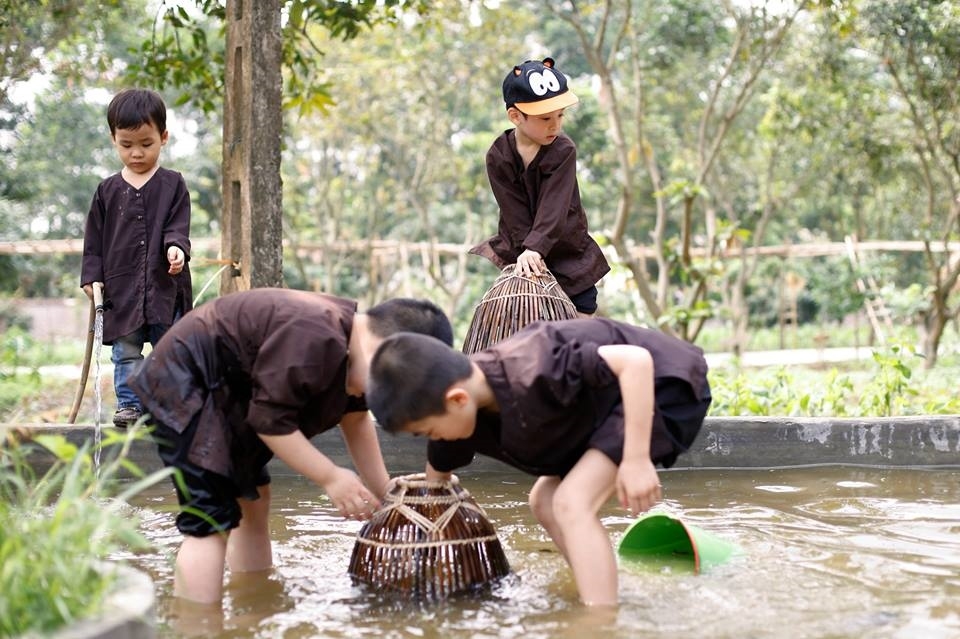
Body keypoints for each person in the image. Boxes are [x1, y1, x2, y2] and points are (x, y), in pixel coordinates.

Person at [127, 288, 453, 604]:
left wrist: (385, 491)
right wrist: (330, 476)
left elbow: (355, 420)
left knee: (254, 499)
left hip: (232, 398)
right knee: (210, 519)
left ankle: (253, 597)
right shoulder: (314, 336)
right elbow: (270, 423)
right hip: (186, 382)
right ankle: (198, 626)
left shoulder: (355, 356)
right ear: (385, 352)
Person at [366, 318, 711, 607]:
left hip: (660, 389)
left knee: (571, 502)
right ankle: (598, 588)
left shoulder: (535, 366)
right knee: (543, 501)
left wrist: (635, 459)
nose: (434, 438)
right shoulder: (467, 408)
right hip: (599, 412)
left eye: (429, 430)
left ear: (456, 399)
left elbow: (634, 361)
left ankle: (601, 622)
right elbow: (438, 473)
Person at [80, 88, 192, 428]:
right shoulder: (107, 191)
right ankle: (129, 405)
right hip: (122, 289)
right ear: (114, 139)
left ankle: (169, 405)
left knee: (168, 347)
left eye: (146, 143)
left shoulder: (173, 184)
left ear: (164, 137)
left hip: (163, 285)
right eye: (126, 145)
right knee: (125, 351)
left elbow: (178, 225)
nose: (137, 153)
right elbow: (94, 240)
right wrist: (91, 276)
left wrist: (177, 248)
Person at [470, 57, 609, 317]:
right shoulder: (498, 156)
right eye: (545, 118)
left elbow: (554, 207)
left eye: (560, 115)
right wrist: (528, 252)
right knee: (522, 313)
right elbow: (513, 211)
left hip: (566, 247)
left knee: (582, 308)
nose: (555, 125)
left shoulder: (563, 149)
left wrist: (537, 246)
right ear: (515, 116)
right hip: (522, 250)